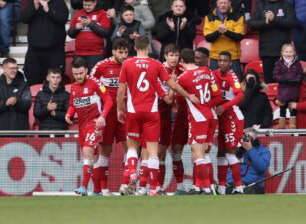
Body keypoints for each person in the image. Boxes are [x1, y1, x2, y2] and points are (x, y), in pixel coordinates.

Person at [116, 36, 198, 196]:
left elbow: (121, 91)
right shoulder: (156, 64)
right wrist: (188, 95)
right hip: (152, 113)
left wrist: (120, 109)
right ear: (148, 48)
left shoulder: (127, 63)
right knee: (153, 151)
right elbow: (172, 85)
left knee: (132, 147)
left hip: (134, 111)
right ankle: (153, 188)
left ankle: (132, 171)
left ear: (135, 47)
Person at [65, 57, 113, 196]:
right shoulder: (73, 87)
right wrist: (68, 114)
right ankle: (98, 189)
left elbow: (108, 100)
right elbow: (73, 104)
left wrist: (103, 116)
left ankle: (83, 187)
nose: (78, 76)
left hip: (95, 123)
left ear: (86, 70)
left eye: (80, 73)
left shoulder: (95, 83)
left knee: (88, 152)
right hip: (82, 127)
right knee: (92, 159)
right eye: (75, 74)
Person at [178, 48, 222, 195]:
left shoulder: (183, 77)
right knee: (204, 152)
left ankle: (205, 187)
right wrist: (207, 107)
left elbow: (170, 96)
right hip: (211, 116)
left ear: (182, 62)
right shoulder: (208, 71)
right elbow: (218, 95)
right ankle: (200, 186)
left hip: (198, 118)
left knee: (198, 154)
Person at [90, 38, 129, 196]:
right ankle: (101, 189)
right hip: (107, 115)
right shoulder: (102, 66)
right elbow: (91, 84)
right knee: (105, 151)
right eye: (120, 52)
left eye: (126, 52)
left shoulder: (129, 65)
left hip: (125, 113)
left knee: (131, 149)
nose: (124, 55)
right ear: (113, 51)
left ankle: (127, 186)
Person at [213, 51, 245, 194]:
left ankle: (239, 187)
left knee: (230, 151)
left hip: (231, 116)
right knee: (220, 152)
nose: (222, 63)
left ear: (230, 63)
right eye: (220, 60)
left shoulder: (232, 76)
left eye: (225, 61)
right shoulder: (214, 74)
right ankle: (222, 187)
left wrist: (224, 107)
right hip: (219, 116)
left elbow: (240, 95)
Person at [156, 44, 186, 194]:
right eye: (171, 55)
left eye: (176, 55)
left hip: (181, 116)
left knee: (177, 151)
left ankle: (180, 187)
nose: (174, 58)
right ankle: (159, 187)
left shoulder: (183, 69)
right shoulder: (159, 70)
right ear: (165, 56)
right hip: (163, 115)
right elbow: (163, 97)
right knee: (160, 152)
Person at [21, 0, 69, 85]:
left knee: (55, 82)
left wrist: (48, 9)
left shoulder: (59, 2)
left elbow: (63, 18)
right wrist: (34, 6)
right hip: (35, 51)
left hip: (54, 51)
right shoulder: (33, 3)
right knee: (32, 81)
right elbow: (24, 18)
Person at [248, 0, 296, 84]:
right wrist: (265, 22)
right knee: (269, 82)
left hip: (284, 52)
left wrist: (275, 19)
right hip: (267, 51)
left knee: (284, 82)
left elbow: (291, 22)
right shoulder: (260, 5)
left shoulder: (286, 5)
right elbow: (252, 24)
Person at [204, 0, 245, 80]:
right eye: (220, 3)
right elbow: (208, 38)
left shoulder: (238, 17)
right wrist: (218, 32)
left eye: (225, 3)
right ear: (217, 4)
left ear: (230, 3)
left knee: (235, 85)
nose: (223, 5)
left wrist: (226, 32)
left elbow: (239, 37)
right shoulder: (209, 17)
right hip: (215, 57)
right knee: (214, 85)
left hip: (232, 57)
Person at [68, 0, 112, 72]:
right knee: (79, 77)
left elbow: (105, 32)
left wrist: (90, 23)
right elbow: (70, 34)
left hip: (96, 53)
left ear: (95, 3)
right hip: (79, 53)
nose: (87, 7)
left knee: (94, 77)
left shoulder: (102, 13)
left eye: (89, 5)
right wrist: (76, 28)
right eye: (85, 5)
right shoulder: (78, 13)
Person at [227, 129, 271, 194]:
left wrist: (250, 149)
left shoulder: (264, 151)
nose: (246, 140)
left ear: (255, 139)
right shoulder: (238, 151)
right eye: (244, 137)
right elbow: (231, 170)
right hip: (236, 184)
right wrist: (231, 182)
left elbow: (261, 168)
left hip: (253, 186)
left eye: (248, 138)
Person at [273, 43, 303, 129]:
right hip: (282, 93)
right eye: (286, 52)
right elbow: (275, 75)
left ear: (294, 53)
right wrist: (286, 79)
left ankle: (292, 125)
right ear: (282, 53)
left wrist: (291, 80)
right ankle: (281, 125)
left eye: (290, 52)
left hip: (294, 92)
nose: (288, 54)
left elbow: (299, 76)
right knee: (282, 109)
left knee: (292, 110)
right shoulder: (278, 63)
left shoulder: (297, 64)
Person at [0, 58, 31, 130]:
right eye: (11, 68)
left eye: (16, 68)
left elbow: (27, 104)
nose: (14, 71)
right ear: (4, 68)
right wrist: (6, 103)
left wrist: (17, 101)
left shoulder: (24, 85)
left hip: (20, 129)